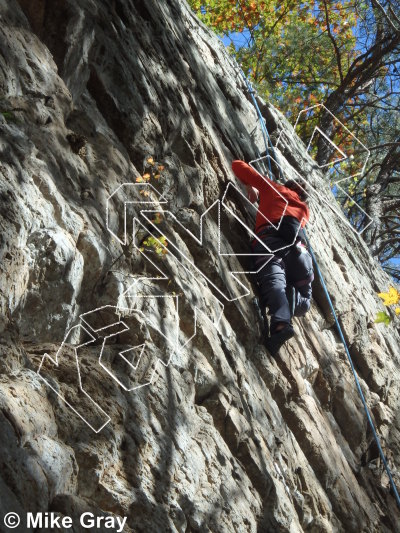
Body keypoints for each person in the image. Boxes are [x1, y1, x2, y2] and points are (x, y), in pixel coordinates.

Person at [232, 160, 314, 355]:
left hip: (271, 241)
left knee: (274, 281)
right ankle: (294, 298)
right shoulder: (304, 210)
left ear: (287, 185)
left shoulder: (275, 189)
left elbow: (238, 165)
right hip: (300, 254)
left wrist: (249, 184)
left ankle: (281, 325)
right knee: (306, 300)